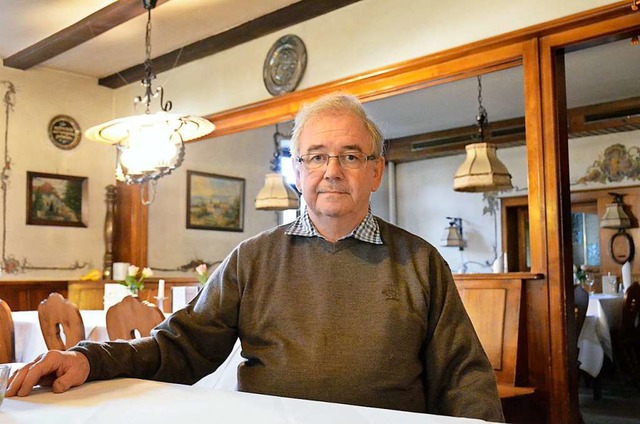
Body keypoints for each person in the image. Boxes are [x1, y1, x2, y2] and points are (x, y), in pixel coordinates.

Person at [7, 93, 504, 421]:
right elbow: (178, 347)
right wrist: (88, 359)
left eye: (351, 156)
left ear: (375, 171)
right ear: (297, 172)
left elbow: (464, 377)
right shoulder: (252, 259)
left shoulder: (421, 262)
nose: (332, 171)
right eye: (315, 156)